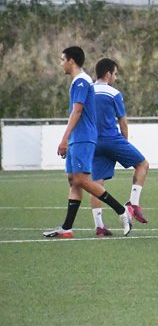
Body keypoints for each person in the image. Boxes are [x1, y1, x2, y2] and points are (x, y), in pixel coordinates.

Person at [43, 46, 133, 238]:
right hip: (78, 137)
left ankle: (122, 211)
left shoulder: (82, 82)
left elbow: (77, 111)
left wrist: (64, 139)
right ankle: (67, 228)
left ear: (71, 61)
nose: (61, 64)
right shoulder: (78, 81)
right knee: (73, 181)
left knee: (81, 179)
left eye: (62, 59)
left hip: (83, 137)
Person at [91, 58, 150, 236]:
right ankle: (133, 204)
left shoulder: (87, 92)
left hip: (94, 142)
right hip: (112, 140)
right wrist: (123, 142)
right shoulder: (113, 93)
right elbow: (122, 121)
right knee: (143, 164)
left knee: (96, 185)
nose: (116, 77)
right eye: (115, 74)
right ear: (108, 73)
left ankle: (99, 226)